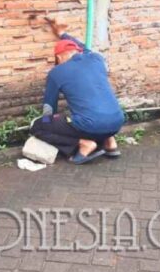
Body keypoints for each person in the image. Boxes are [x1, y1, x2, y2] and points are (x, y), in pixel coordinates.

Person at [29, 18, 124, 165]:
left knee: (38, 126)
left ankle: (84, 144)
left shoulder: (56, 72)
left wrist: (47, 122)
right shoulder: (96, 58)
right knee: (94, 114)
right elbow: (82, 47)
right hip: (117, 122)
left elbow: (49, 107)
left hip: (91, 125)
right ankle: (110, 142)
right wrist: (63, 34)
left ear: (59, 57)